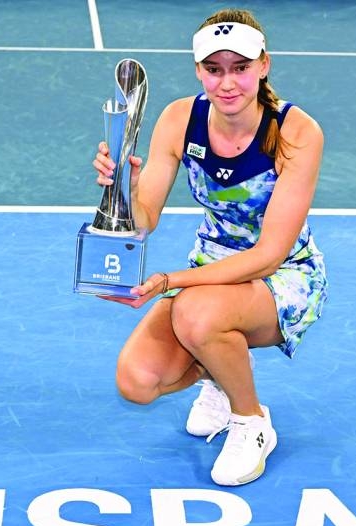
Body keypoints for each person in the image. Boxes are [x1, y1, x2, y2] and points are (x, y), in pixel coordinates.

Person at [92, 8, 327, 486]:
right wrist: (121, 188)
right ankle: (220, 372)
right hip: (211, 270)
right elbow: (146, 218)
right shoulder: (181, 118)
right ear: (198, 70)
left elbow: (269, 254)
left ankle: (251, 421)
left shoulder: (297, 132)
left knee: (196, 313)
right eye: (214, 69)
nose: (227, 83)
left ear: (263, 65)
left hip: (284, 277)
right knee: (137, 383)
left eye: (240, 68)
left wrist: (169, 283)